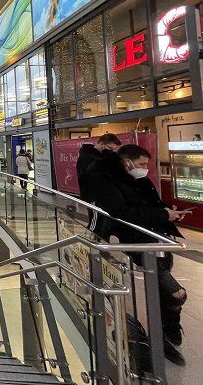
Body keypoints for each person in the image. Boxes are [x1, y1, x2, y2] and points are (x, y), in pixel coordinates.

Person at [87, 145, 187, 365]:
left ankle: (163, 335)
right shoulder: (106, 178)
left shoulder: (137, 180)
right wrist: (162, 214)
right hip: (137, 242)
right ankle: (164, 335)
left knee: (164, 291)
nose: (145, 169)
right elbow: (122, 213)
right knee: (176, 293)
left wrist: (168, 213)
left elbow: (151, 204)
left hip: (156, 239)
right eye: (142, 164)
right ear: (127, 162)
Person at [76, 133, 121, 235]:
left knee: (102, 225)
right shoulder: (87, 157)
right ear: (102, 144)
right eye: (110, 148)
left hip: (102, 196)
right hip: (93, 197)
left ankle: (101, 246)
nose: (111, 152)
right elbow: (87, 176)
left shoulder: (97, 156)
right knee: (95, 224)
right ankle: (86, 245)